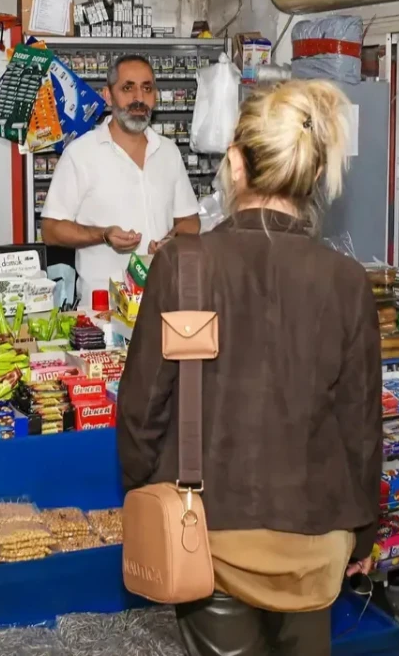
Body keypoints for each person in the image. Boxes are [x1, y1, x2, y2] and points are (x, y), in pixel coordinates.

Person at [116, 80, 382, 656]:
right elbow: (360, 424)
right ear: (312, 178)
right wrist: (363, 530)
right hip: (317, 538)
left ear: (235, 164)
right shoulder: (346, 281)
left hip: (210, 531)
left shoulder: (183, 264)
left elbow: (141, 410)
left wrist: (144, 490)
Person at [40, 54, 201, 306]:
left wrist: (172, 239)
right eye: (128, 88)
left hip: (164, 301)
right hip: (103, 312)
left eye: (146, 88)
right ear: (107, 95)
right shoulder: (80, 154)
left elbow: (190, 220)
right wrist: (103, 235)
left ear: (155, 96)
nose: (139, 98)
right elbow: (50, 230)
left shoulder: (168, 152)